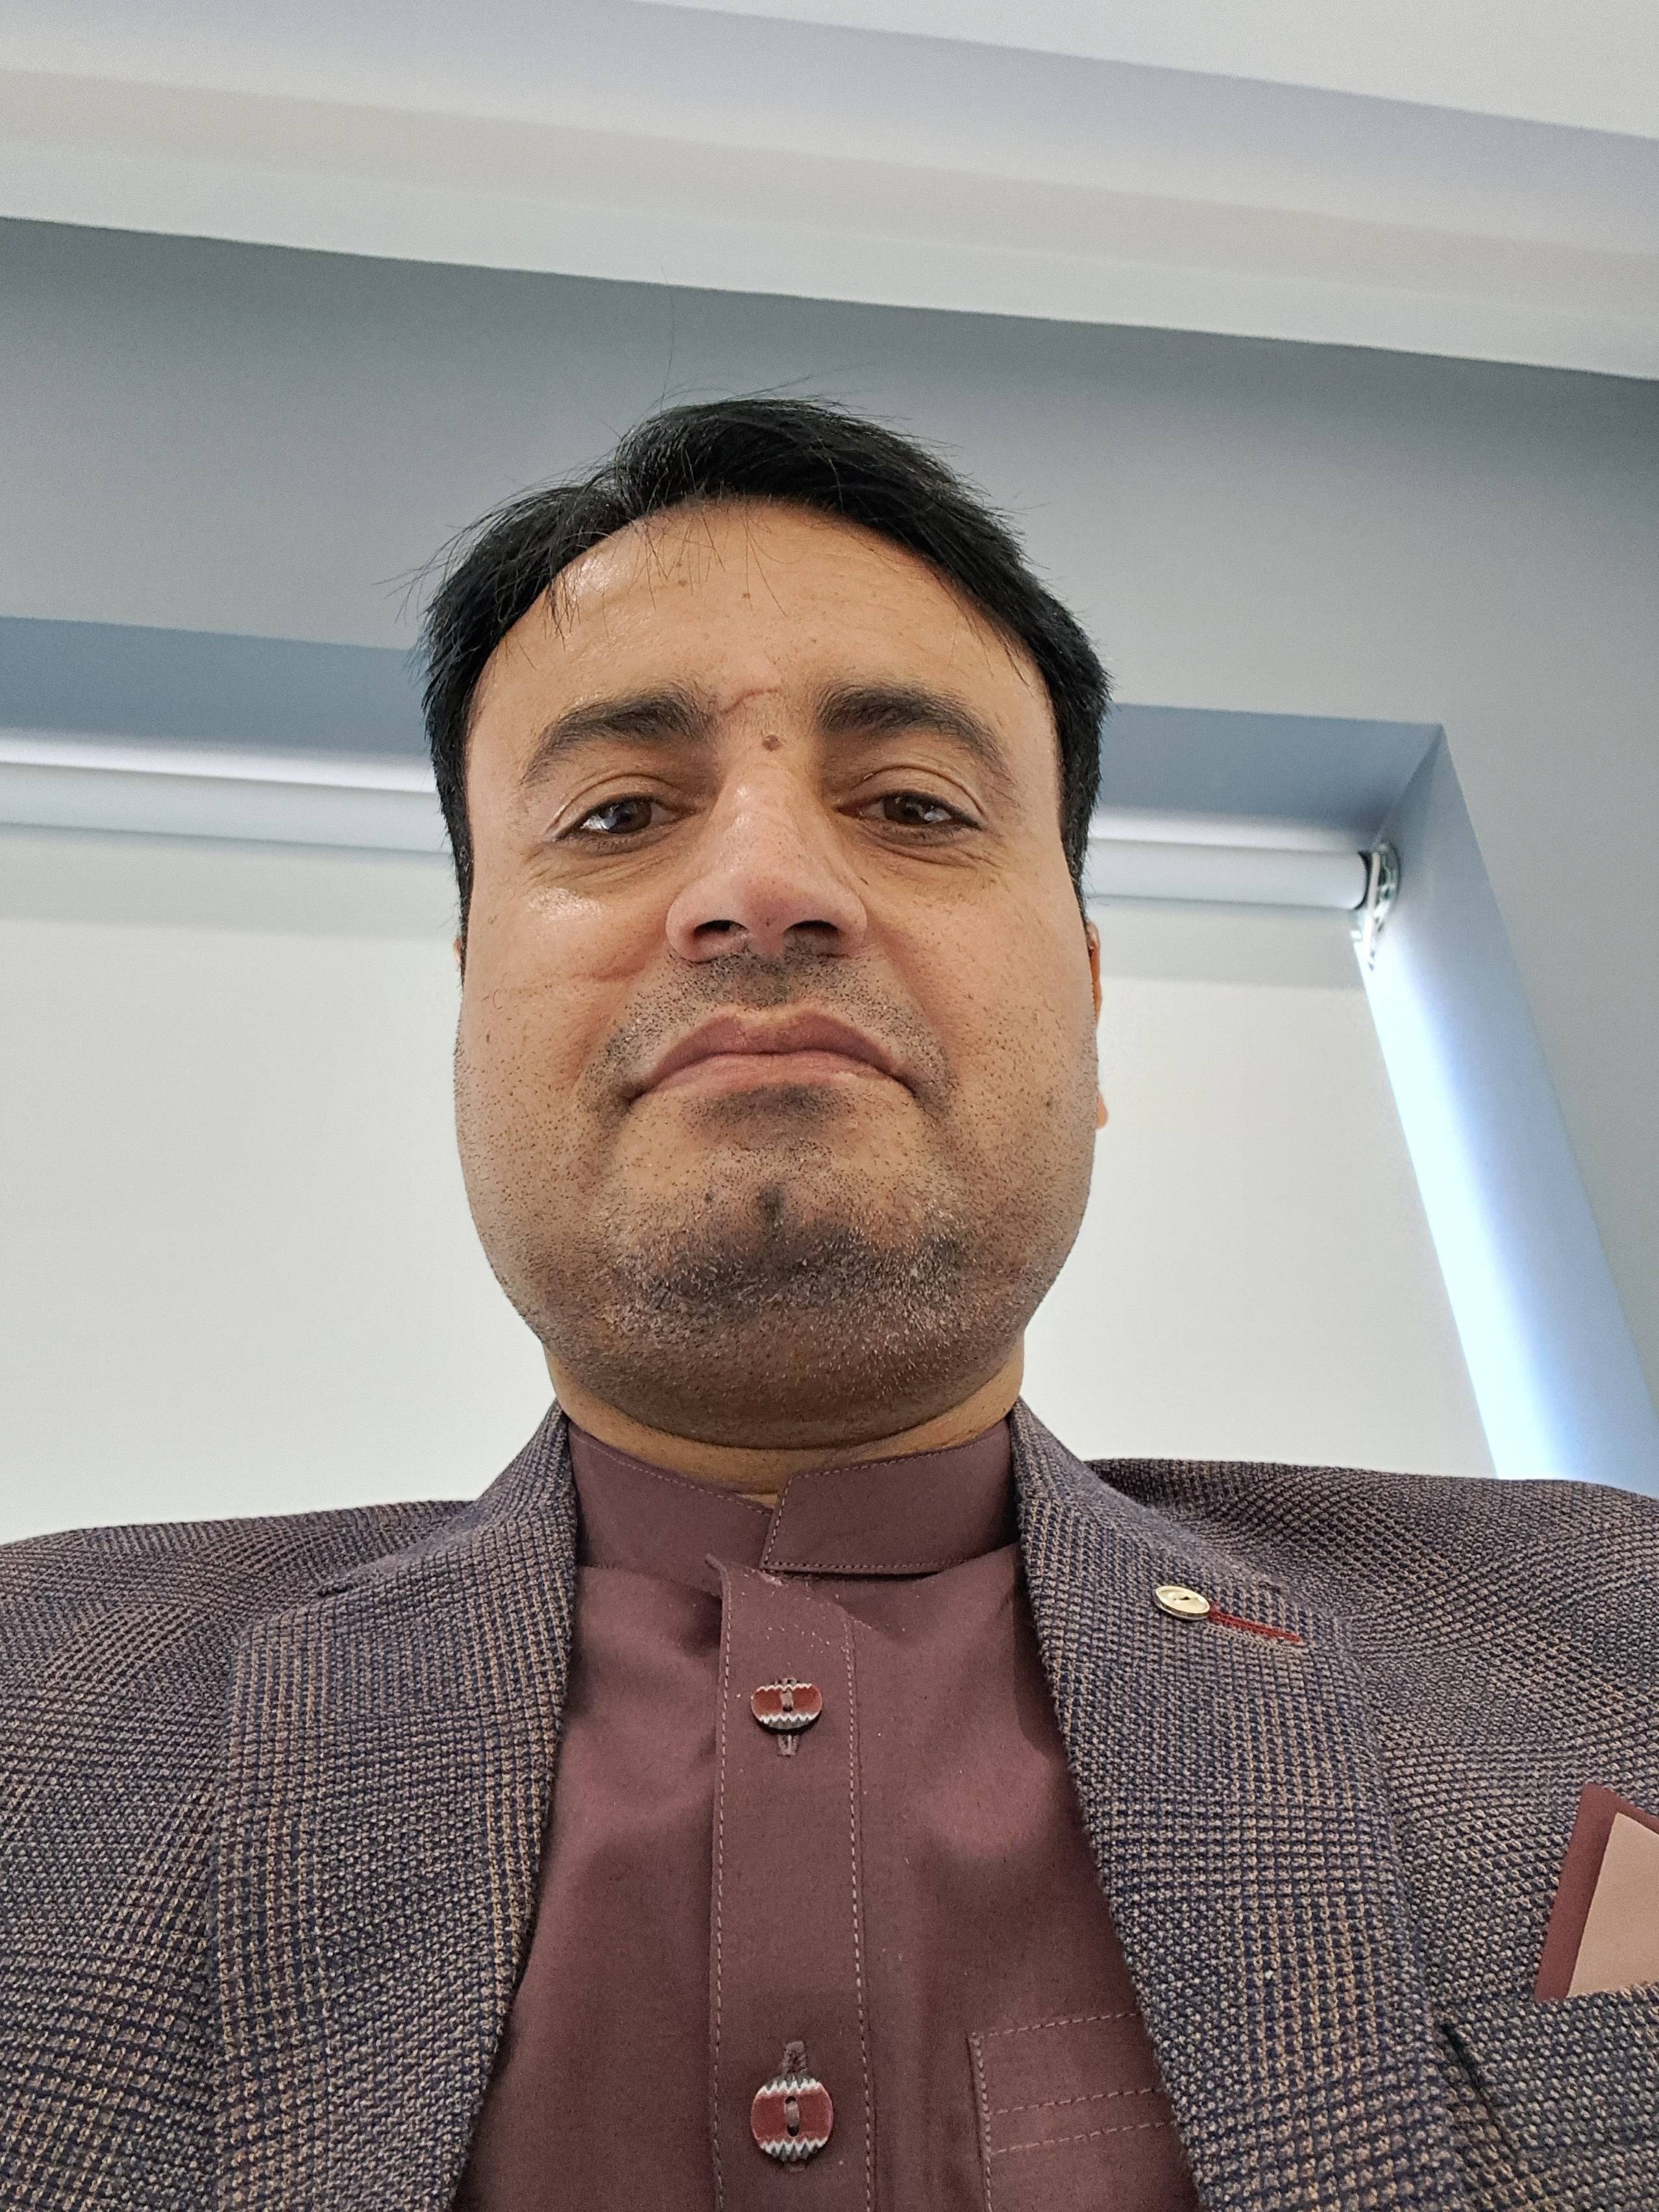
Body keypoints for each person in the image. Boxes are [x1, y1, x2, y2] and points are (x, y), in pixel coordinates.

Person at [1, 399, 1654, 2212]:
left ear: (1090, 996)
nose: (762, 889)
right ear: (469, 1008)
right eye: (618, 814)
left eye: (916, 807)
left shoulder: (1611, 1621)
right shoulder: (33, 1701)